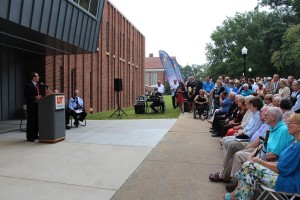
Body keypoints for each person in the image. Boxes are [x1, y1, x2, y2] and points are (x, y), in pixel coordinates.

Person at [224, 113, 300, 199]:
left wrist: (260, 161)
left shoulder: (297, 147)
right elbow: (283, 163)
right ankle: (239, 195)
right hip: (283, 176)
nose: (288, 125)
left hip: (288, 182)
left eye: (290, 123)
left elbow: (281, 168)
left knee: (250, 167)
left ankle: (238, 195)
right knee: (249, 166)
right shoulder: (294, 142)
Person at [24, 72, 42, 142]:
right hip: (31, 106)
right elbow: (26, 96)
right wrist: (35, 97)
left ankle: (35, 135)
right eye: (37, 76)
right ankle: (29, 137)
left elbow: (37, 94)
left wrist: (39, 97)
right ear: (33, 77)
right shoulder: (28, 85)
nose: (38, 77)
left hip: (37, 106)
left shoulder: (37, 85)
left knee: (37, 121)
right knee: (31, 121)